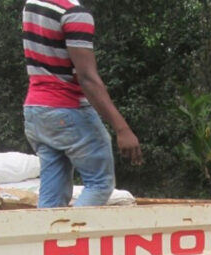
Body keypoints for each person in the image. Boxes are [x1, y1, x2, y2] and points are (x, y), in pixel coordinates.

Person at [21, 0, 143, 208]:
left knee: (52, 196)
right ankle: (72, 235)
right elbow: (87, 78)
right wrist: (122, 129)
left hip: (36, 111)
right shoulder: (74, 14)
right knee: (100, 183)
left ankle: (50, 237)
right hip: (67, 110)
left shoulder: (33, 4)